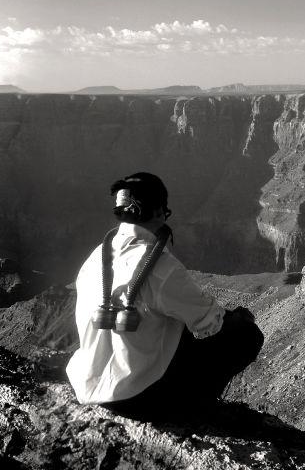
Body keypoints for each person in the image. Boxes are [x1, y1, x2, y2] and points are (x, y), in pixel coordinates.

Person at [67, 172, 264, 417]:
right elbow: (210, 323)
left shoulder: (95, 257)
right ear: (160, 211)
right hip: (137, 398)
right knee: (245, 335)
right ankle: (197, 407)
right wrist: (238, 318)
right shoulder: (162, 269)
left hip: (86, 386)